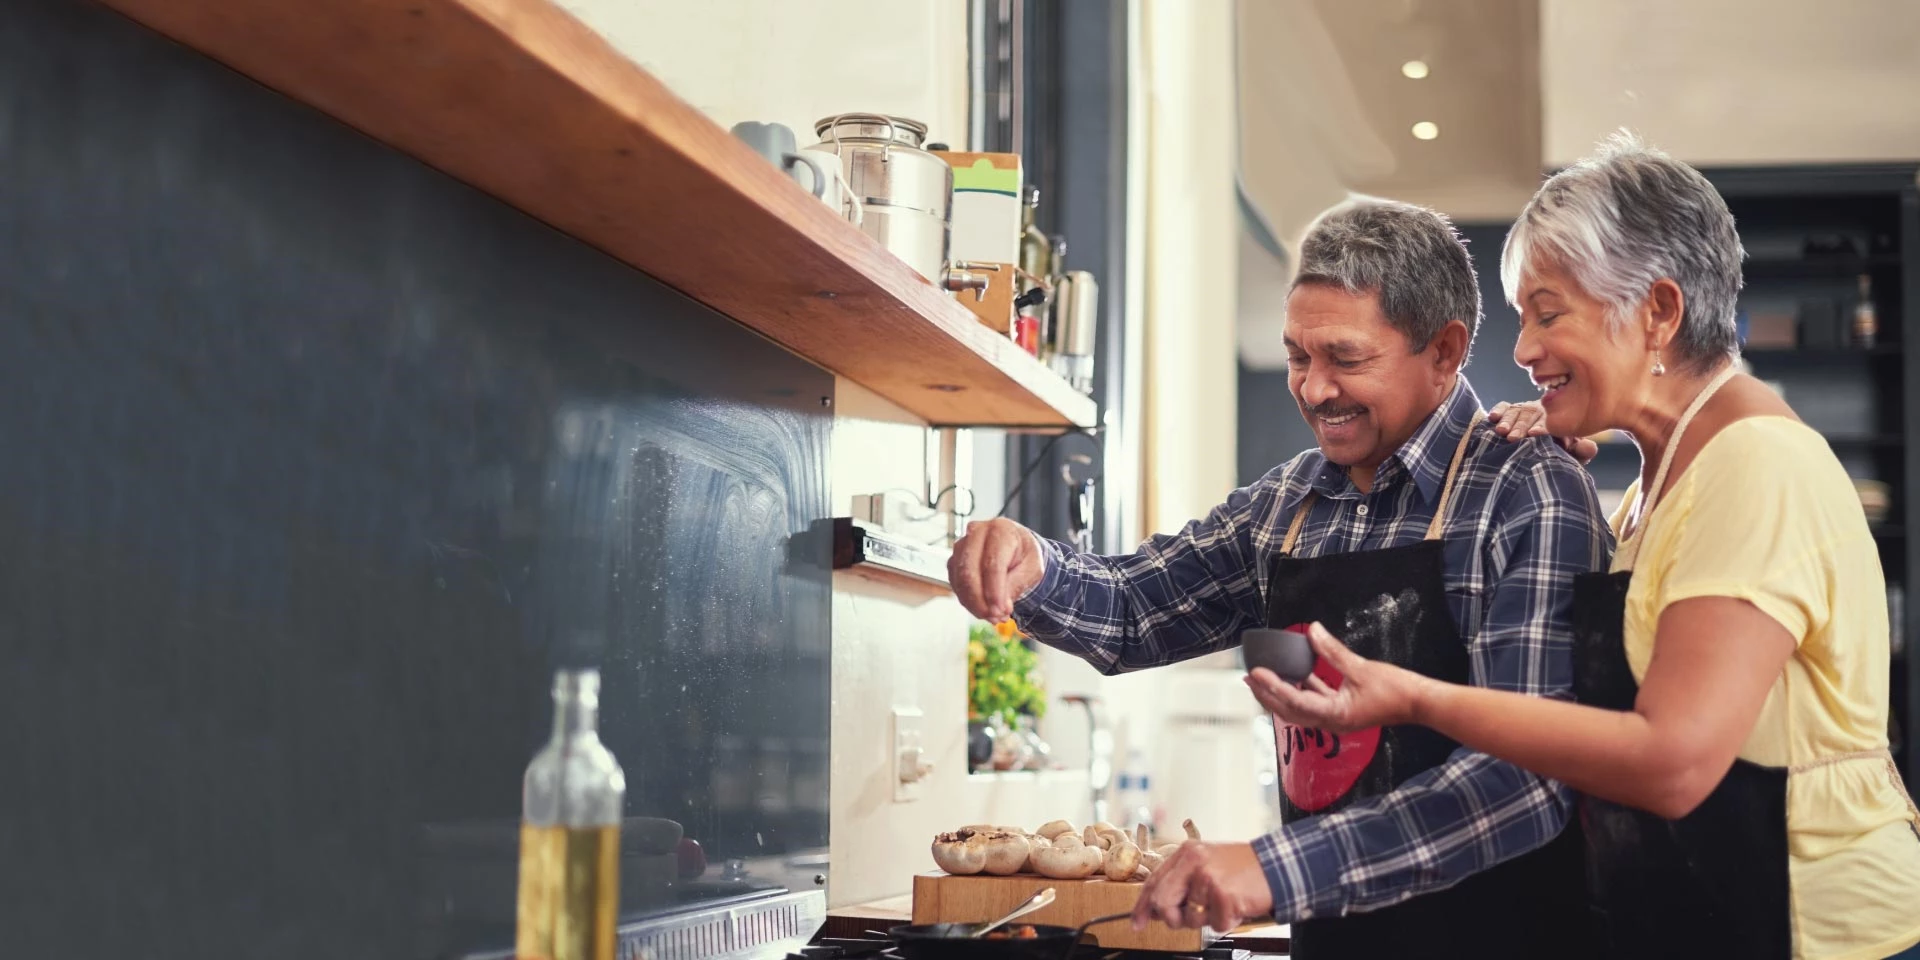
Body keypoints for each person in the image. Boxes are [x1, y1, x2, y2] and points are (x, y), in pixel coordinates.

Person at [1249, 135, 1920, 960]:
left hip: (1818, 937)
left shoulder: (1755, 465)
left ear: (1659, 312)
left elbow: (1672, 761)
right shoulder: (1654, 485)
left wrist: (1413, 697)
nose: (1524, 350)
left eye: (1548, 312)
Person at [949, 198, 1611, 960]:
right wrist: (1034, 563)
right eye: (1299, 356)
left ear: (1445, 350)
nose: (1314, 389)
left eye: (1346, 358)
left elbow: (1526, 780)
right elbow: (1135, 607)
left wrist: (1275, 867)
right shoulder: (1289, 504)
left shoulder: (1525, 491)